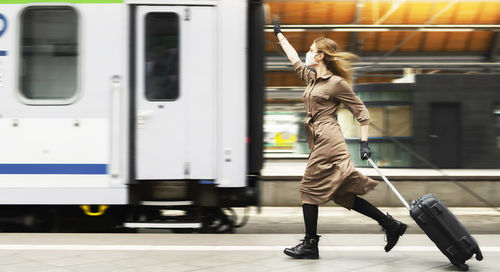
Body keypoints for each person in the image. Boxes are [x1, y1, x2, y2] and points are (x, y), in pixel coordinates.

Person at [273, 21, 407, 260]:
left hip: (329, 141)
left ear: (320, 55)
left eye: (311, 50)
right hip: (320, 139)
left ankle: (310, 244)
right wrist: (280, 35)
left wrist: (365, 144)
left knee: (308, 188)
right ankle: (390, 224)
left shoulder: (336, 83)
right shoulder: (312, 78)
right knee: (343, 194)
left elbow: (361, 111)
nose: (307, 53)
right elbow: (294, 58)